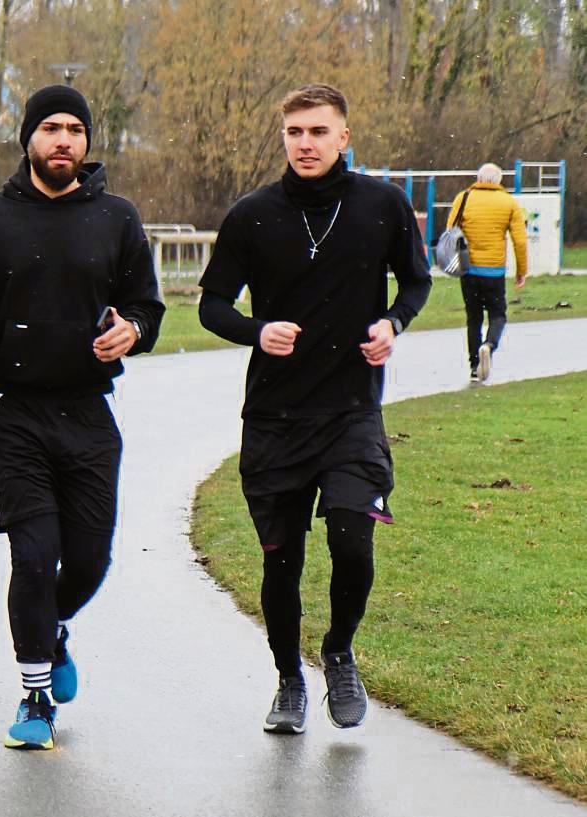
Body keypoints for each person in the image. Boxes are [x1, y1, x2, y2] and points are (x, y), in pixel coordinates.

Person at [0, 84, 165, 750]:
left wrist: (134, 330)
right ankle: (34, 693)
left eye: (75, 129)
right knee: (34, 556)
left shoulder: (117, 217)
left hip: (89, 412)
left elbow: (145, 304)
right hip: (12, 413)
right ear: (28, 137)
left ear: (88, 141)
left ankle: (50, 627)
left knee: (89, 559)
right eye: (51, 128)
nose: (64, 139)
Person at [197, 84, 431, 735]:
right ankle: (288, 681)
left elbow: (417, 280)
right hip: (274, 419)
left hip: (352, 410)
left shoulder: (382, 206)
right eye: (295, 132)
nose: (305, 143)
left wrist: (393, 322)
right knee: (282, 561)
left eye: (318, 132)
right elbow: (212, 304)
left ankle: (338, 650)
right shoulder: (252, 215)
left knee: (352, 542)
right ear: (284, 137)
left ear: (343, 138)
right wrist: (256, 330)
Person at [445, 163, 528, 383]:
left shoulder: (463, 198)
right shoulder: (509, 203)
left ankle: (474, 366)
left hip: (468, 269)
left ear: (479, 178)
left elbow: (450, 229)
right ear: (499, 181)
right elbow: (520, 241)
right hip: (494, 271)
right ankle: (489, 346)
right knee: (498, 314)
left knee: (474, 317)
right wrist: (522, 271)